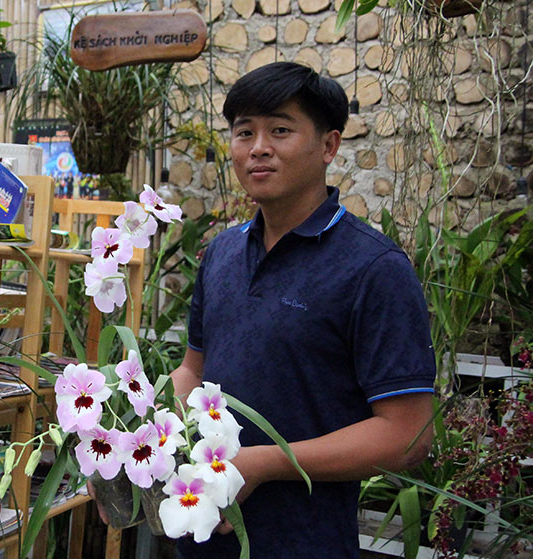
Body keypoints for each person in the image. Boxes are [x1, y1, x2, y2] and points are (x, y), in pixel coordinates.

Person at [171, 62, 436, 558]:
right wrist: (141, 438)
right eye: (244, 132)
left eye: (280, 130)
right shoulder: (222, 254)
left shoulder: (373, 268)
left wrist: (265, 462)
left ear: (329, 146)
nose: (258, 148)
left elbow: (408, 433)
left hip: (303, 542)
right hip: (203, 536)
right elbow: (193, 369)